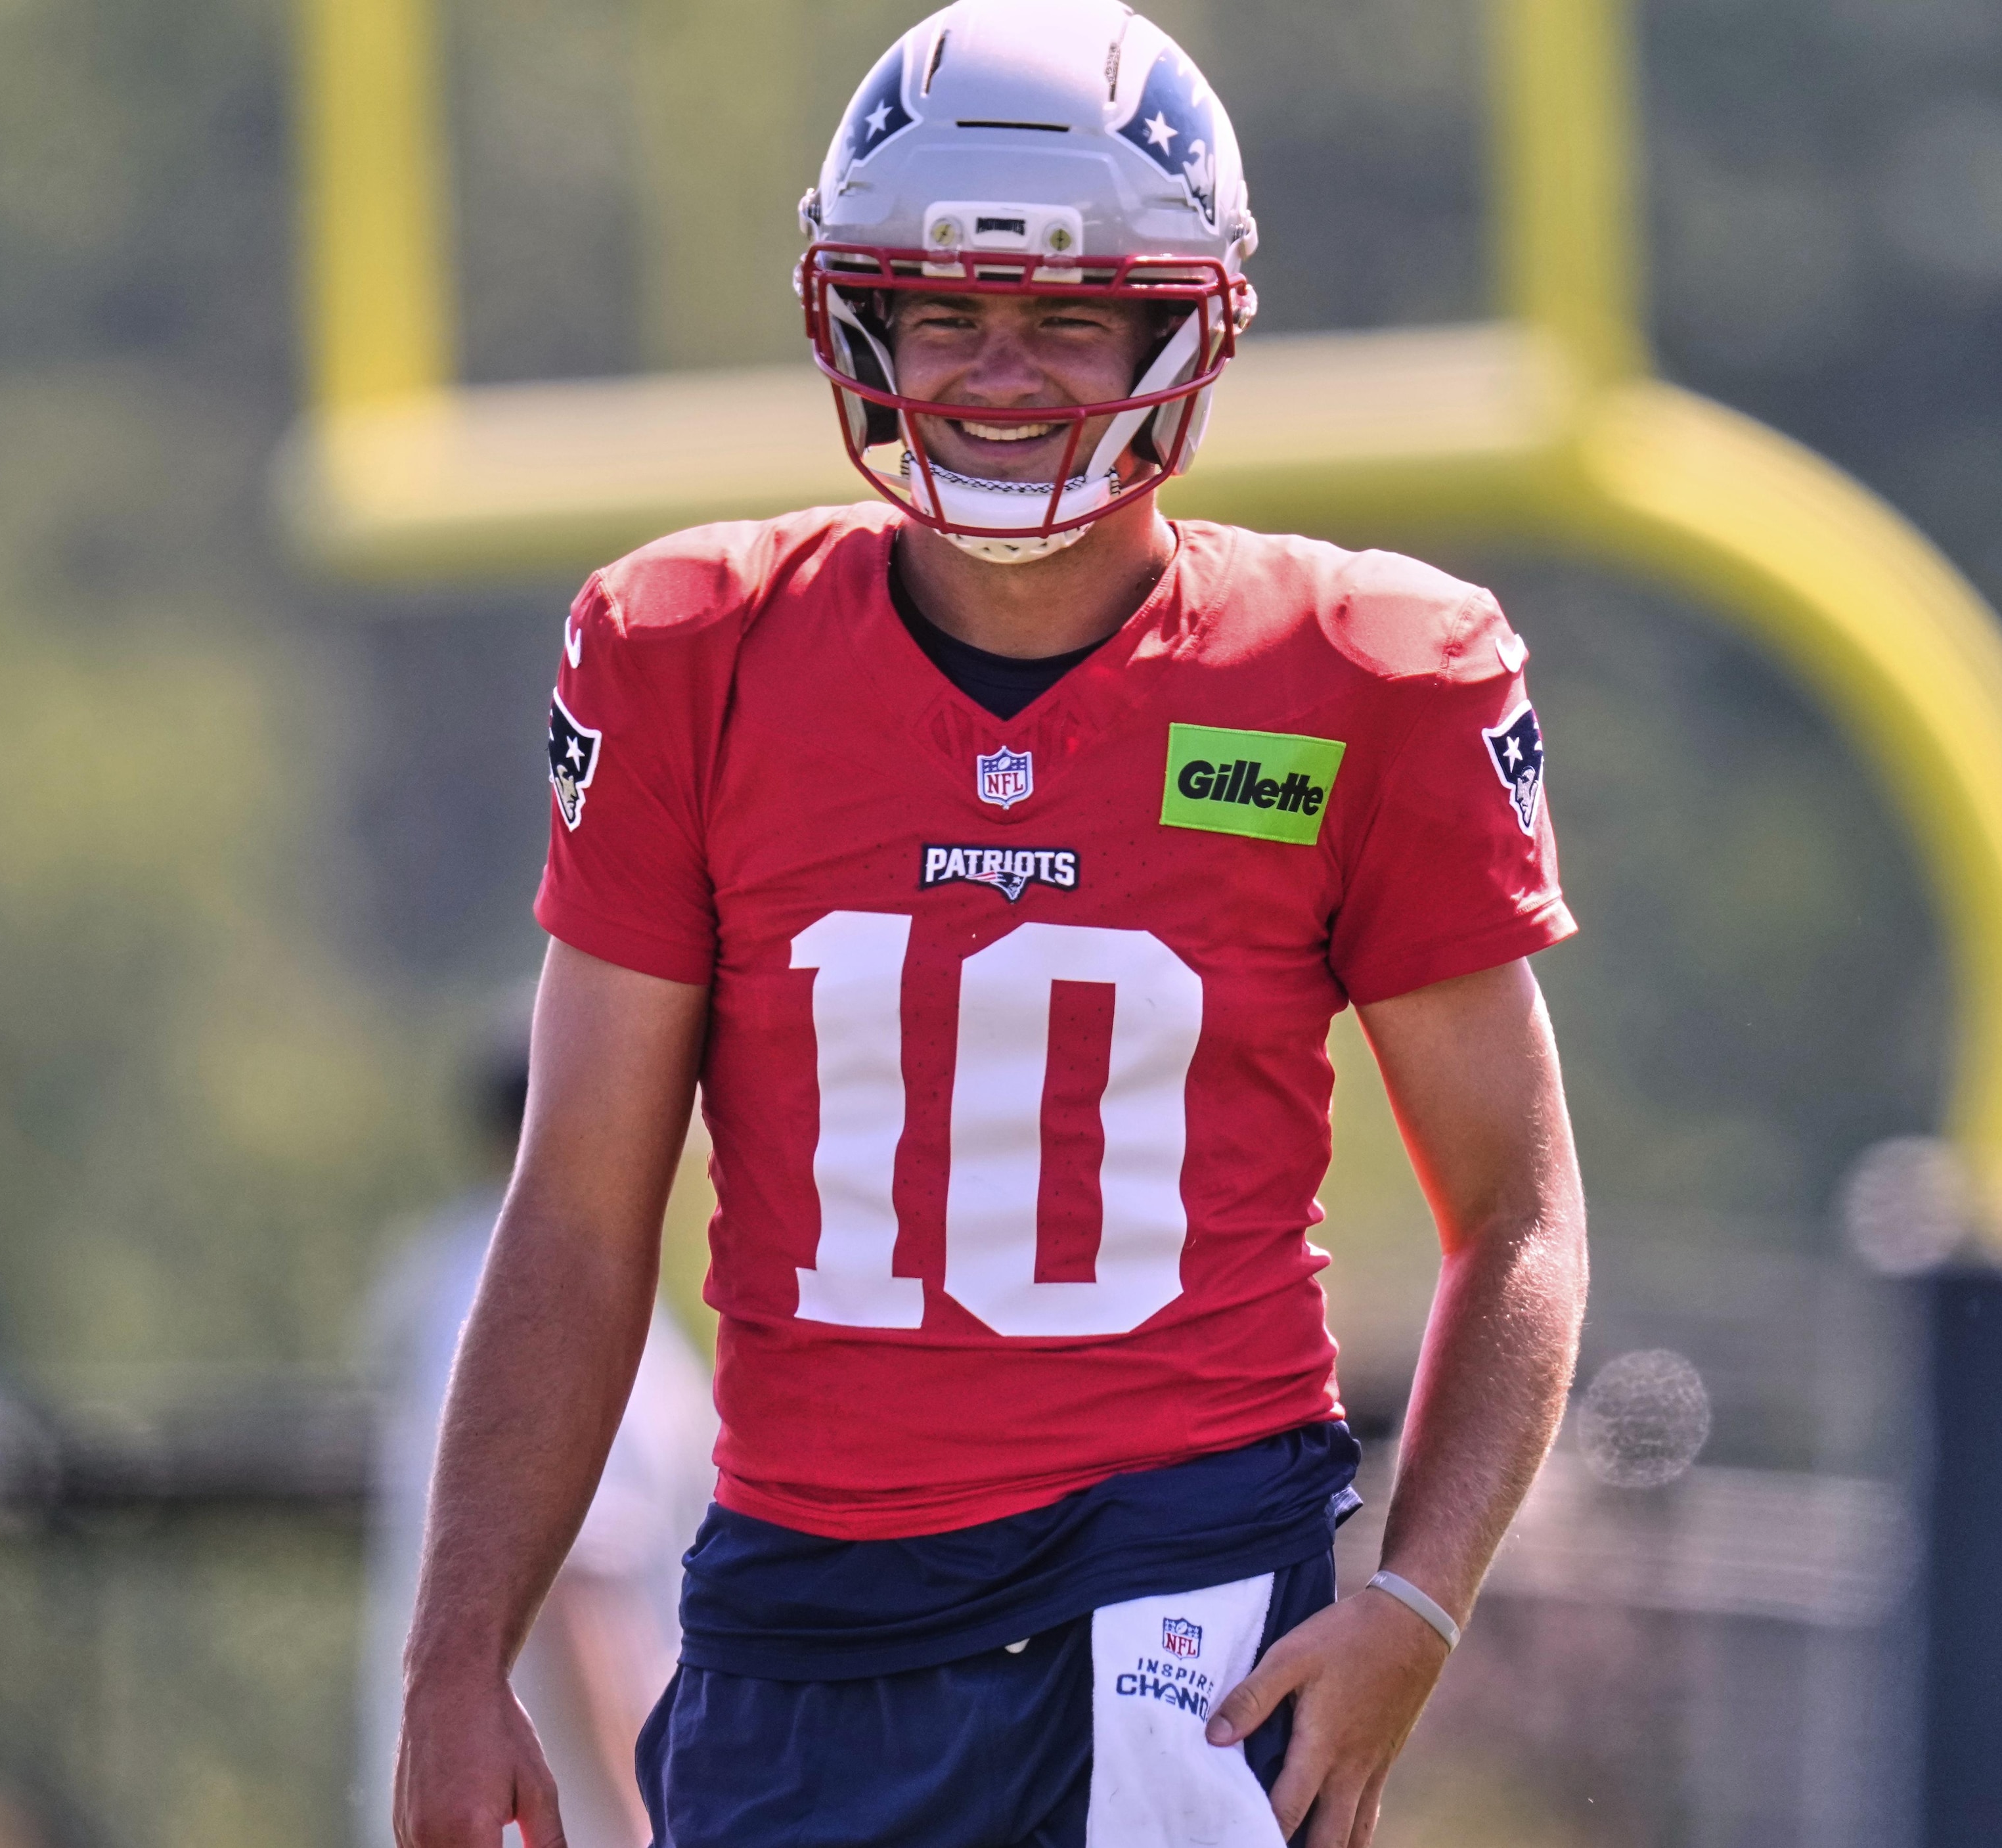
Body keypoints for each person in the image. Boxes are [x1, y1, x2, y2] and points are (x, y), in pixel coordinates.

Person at [391, 3, 1590, 1845]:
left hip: (1185, 1589)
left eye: (1067, 315)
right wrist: (456, 1651)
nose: (1001, 371)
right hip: (803, 1605)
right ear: (858, 317)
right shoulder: (687, 653)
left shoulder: (1359, 676)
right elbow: (574, 1209)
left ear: (1183, 321)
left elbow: (1515, 1207)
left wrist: (1417, 1601)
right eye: (945, 312)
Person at [357, 1027, 717, 1848]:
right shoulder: (558, 1294)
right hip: (565, 1818)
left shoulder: (458, 1277)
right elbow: (577, 1585)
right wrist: (642, 1820)